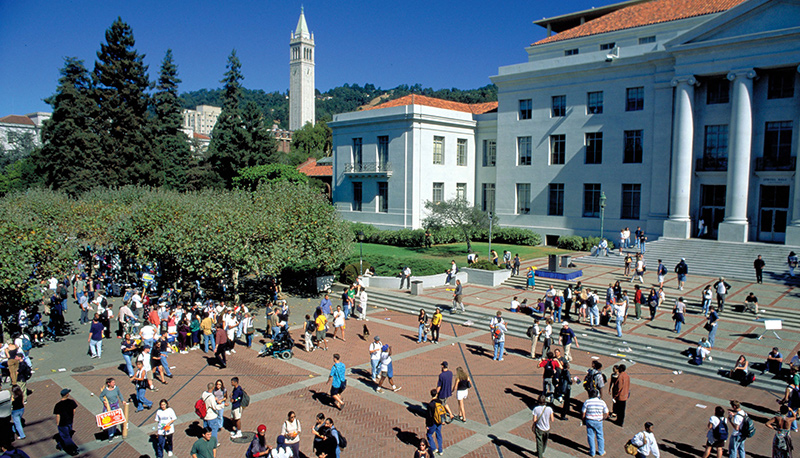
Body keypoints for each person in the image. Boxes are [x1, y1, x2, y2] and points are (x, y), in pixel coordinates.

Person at [582, 389, 608, 457]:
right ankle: (601, 451)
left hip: (589, 420)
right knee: (600, 436)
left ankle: (592, 452)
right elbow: (606, 412)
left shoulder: (587, 402)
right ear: (597, 395)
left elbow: (583, 412)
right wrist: (603, 418)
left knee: (590, 436)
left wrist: (583, 419)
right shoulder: (602, 402)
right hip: (598, 421)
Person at [53, 388, 79, 456]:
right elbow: (74, 411)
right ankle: (60, 445)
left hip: (62, 423)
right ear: (67, 394)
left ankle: (73, 448)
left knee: (65, 436)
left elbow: (58, 416)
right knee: (68, 434)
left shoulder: (58, 405)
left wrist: (58, 423)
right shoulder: (71, 402)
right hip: (69, 421)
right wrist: (71, 417)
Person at [100, 377, 124, 442]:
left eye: (114, 382)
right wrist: (104, 401)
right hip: (109, 406)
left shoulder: (116, 388)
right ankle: (110, 435)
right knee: (110, 422)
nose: (114, 383)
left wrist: (123, 400)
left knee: (115, 420)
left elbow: (119, 394)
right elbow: (101, 396)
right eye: (113, 382)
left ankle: (114, 432)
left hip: (115, 405)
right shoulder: (105, 390)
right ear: (109, 383)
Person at [426, 388, 445, 455]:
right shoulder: (440, 402)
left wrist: (427, 425)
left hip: (433, 422)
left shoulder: (430, 404)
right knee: (439, 435)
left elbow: (429, 416)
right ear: (436, 394)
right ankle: (440, 450)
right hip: (439, 421)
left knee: (429, 434)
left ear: (431, 395)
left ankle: (434, 448)